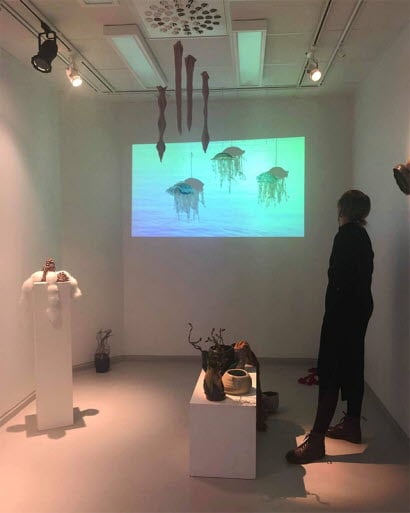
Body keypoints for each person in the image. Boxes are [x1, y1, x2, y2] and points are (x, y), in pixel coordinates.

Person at [286, 189, 374, 464]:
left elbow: (337, 279)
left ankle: (316, 441)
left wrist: (333, 314)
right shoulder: (362, 236)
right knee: (354, 364)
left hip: (343, 313)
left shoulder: (345, 235)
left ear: (342, 209)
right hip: (359, 309)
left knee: (330, 371)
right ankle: (352, 425)